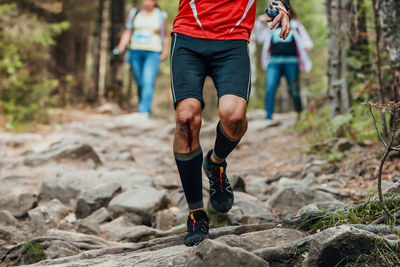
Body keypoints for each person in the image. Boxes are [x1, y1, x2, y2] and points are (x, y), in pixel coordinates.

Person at [171, 0, 291, 246]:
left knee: (234, 116)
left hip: (233, 38)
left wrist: (281, 6)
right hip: (188, 36)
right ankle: (196, 213)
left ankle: (215, 164)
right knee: (186, 119)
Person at [255, 9, 313, 120]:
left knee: (294, 90)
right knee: (270, 88)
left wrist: (307, 46)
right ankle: (268, 117)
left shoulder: (296, 26)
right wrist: (260, 23)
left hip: (291, 62)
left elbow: (308, 42)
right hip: (273, 62)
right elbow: (260, 39)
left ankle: (301, 115)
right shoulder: (271, 26)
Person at [116, 0, 169, 117]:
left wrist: (165, 51)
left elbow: (165, 35)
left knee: (148, 80)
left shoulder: (161, 15)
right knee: (139, 82)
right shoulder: (135, 13)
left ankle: (144, 111)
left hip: (153, 52)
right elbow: (128, 31)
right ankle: (142, 104)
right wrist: (121, 47)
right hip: (135, 51)